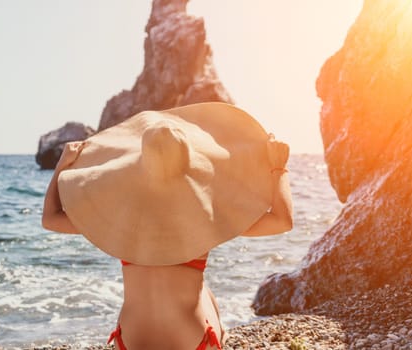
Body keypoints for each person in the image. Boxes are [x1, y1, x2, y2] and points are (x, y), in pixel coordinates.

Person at [42, 102, 293, 350]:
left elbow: (51, 219)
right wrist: (278, 167)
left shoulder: (120, 214)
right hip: (193, 341)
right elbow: (282, 220)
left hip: (130, 341)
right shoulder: (206, 212)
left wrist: (62, 166)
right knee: (204, 292)